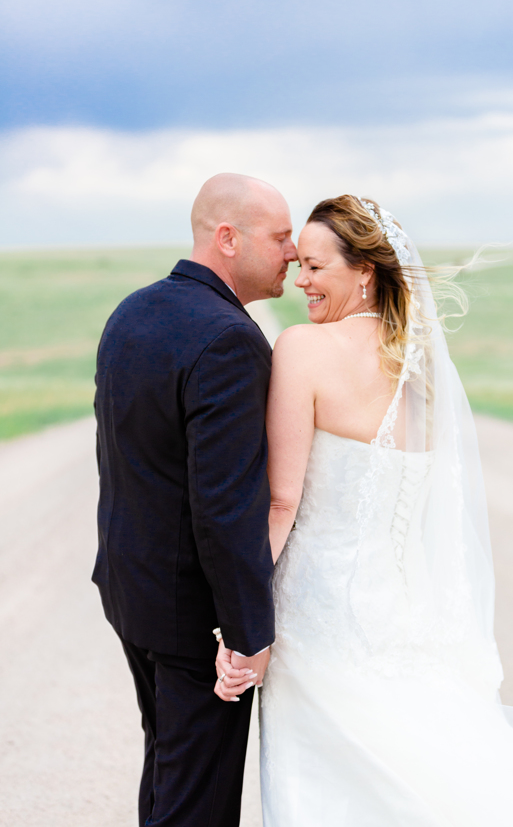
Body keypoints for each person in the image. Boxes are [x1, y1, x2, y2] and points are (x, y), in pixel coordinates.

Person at [258, 194, 513, 826]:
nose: (299, 281)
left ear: (364, 270)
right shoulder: (420, 369)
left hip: (318, 617)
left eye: (313, 266)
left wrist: (242, 615)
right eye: (299, 266)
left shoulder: (303, 349)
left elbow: (282, 501)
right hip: (405, 613)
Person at [93, 173, 297, 827]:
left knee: (169, 773)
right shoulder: (231, 340)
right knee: (196, 805)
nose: (292, 252)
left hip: (133, 595)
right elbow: (225, 506)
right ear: (228, 238)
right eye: (281, 236)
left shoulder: (133, 309)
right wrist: (245, 634)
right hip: (192, 621)